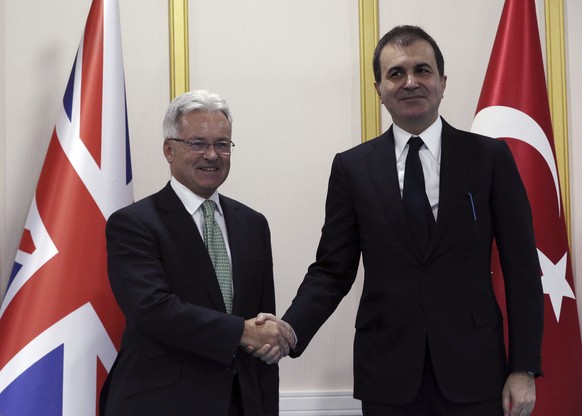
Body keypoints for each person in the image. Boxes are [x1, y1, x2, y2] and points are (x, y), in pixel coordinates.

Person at [257, 25, 544, 416]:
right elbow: (332, 270)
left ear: (443, 83)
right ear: (379, 89)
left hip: (475, 371)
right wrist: (290, 329)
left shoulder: (489, 158)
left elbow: (523, 269)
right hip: (388, 374)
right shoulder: (352, 168)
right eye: (396, 73)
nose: (410, 82)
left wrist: (524, 367)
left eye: (422, 70)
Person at [99, 90, 294, 416]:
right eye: (197, 143)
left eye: (222, 144)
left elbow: (260, 325)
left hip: (240, 403)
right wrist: (242, 331)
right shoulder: (133, 224)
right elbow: (152, 309)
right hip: (160, 404)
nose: (212, 155)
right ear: (169, 150)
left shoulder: (253, 224)